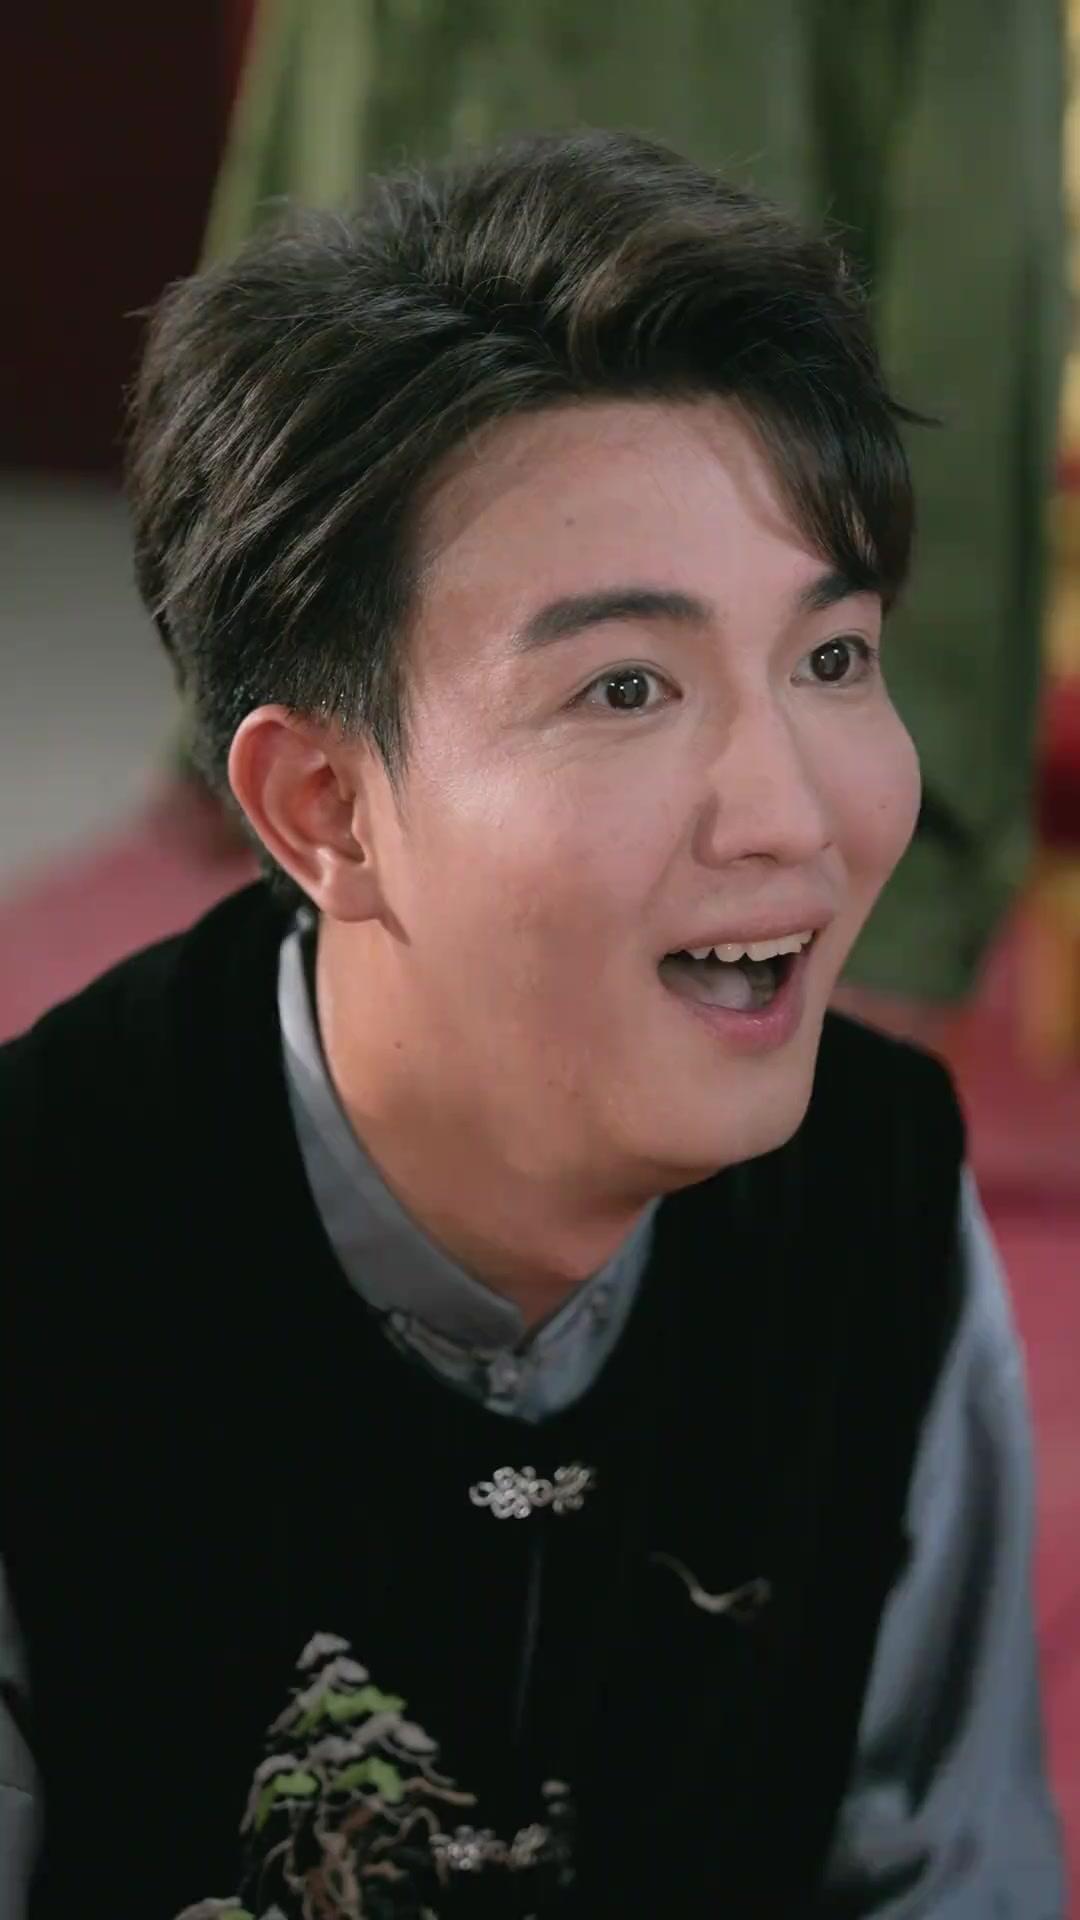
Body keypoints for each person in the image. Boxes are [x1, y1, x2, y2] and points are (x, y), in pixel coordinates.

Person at [0, 132, 1065, 1919]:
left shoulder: (878, 1204)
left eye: (832, 658)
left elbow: (947, 1872)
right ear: (326, 807)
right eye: (625, 687)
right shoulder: (45, 1249)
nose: (791, 814)